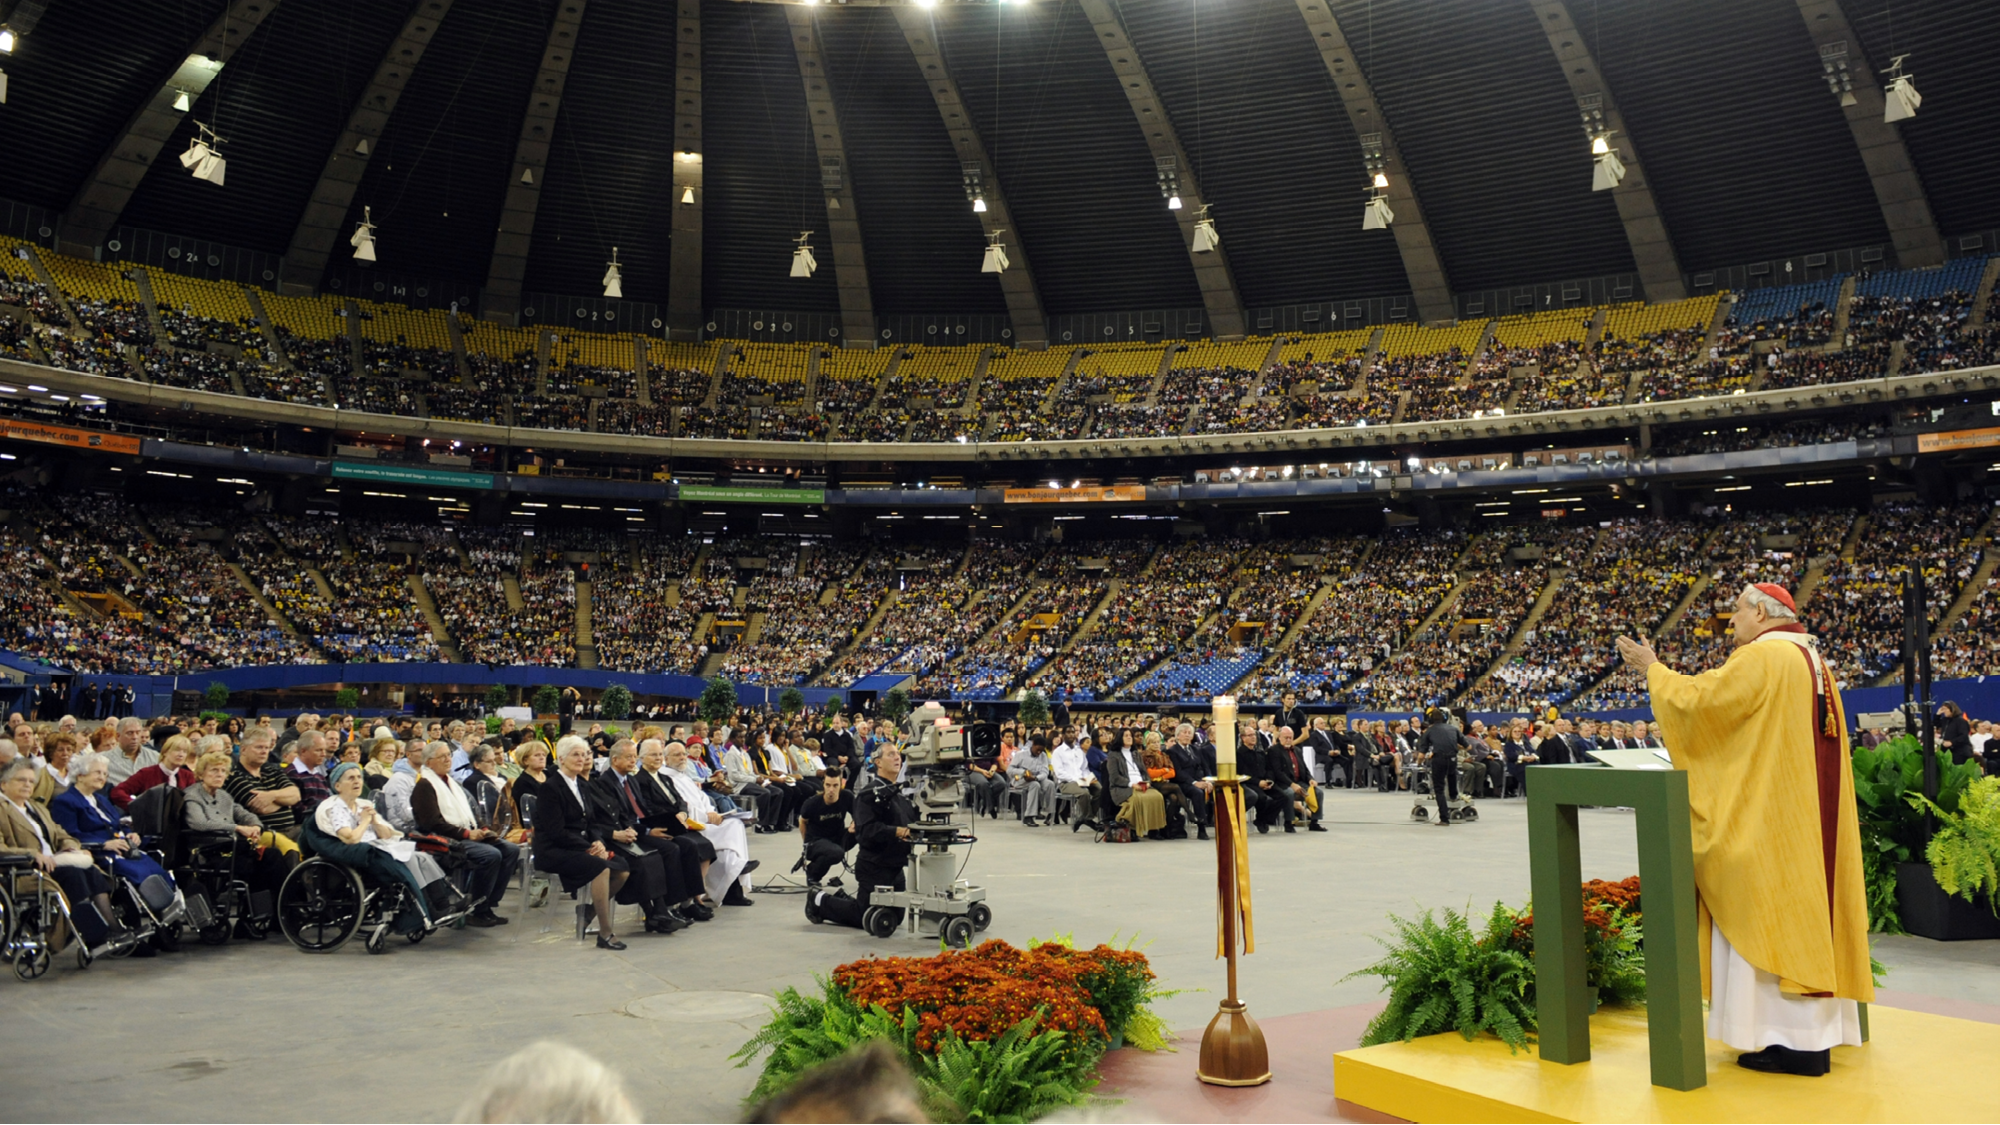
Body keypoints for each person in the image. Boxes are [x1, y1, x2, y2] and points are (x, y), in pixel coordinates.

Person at [1617, 581, 1871, 1077]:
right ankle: (1810, 1040)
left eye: (1735, 611)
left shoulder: (1764, 658)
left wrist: (1653, 669)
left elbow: (1702, 705)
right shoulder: (1814, 661)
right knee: (1804, 913)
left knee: (1762, 911)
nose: (1729, 620)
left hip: (1771, 821)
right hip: (1803, 817)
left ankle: (1790, 1044)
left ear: (1759, 611)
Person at [0, 757, 131, 956]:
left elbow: (60, 833)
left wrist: (72, 847)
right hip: (23, 870)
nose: (28, 784)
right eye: (21, 780)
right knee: (75, 876)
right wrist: (31, 854)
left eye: (30, 781)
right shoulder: (2, 810)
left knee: (90, 871)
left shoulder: (36, 808)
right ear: (4, 784)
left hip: (55, 862)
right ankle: (95, 934)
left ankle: (111, 927)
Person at [314, 761, 451, 930]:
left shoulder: (363, 804)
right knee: (410, 862)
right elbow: (350, 838)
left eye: (359, 777)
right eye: (351, 778)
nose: (357, 781)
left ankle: (443, 905)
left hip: (382, 845)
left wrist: (374, 821)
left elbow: (387, 834)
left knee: (423, 857)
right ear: (338, 786)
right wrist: (365, 821)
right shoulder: (335, 808)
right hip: (363, 853)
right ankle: (430, 911)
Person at [531, 738, 633, 950]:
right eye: (576, 754)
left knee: (622, 869)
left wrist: (597, 841)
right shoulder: (550, 788)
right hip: (553, 849)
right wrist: (588, 848)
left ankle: (588, 912)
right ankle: (605, 933)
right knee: (601, 868)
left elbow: (592, 822)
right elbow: (555, 832)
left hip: (579, 845)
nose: (582, 758)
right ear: (561, 759)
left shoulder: (582, 785)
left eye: (585, 754)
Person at [411, 742, 517, 927]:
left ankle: (489, 902)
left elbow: (472, 813)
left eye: (448, 755)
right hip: (445, 840)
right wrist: (467, 834)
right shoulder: (424, 786)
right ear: (429, 762)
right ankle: (477, 908)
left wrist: (484, 829)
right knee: (491, 855)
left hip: (465, 833)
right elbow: (432, 823)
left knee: (510, 850)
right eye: (442, 756)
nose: (447, 759)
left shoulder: (452, 783)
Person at [813, 745, 915, 929]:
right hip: (874, 866)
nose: (897, 758)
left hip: (895, 867)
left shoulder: (898, 793)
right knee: (864, 916)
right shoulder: (869, 794)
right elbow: (867, 831)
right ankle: (819, 900)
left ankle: (843, 899)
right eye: (891, 754)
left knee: (894, 918)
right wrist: (897, 831)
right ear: (878, 762)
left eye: (898, 754)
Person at [184, 749, 296, 891]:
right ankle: (262, 906)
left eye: (223, 771)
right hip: (209, 853)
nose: (219, 774)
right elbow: (199, 823)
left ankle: (280, 905)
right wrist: (237, 828)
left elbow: (244, 814)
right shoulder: (192, 795)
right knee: (256, 864)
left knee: (272, 855)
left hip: (233, 848)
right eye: (214, 770)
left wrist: (256, 826)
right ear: (201, 774)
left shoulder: (224, 795)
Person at [226, 729, 303, 840]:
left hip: (291, 830)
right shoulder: (234, 776)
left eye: (266, 748)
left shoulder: (272, 770)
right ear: (243, 750)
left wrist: (271, 796)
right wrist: (286, 803)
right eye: (259, 747)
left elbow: (296, 795)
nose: (264, 751)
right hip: (261, 834)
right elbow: (262, 808)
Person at [1107, 728, 1168, 839]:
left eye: (1130, 735)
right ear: (1120, 738)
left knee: (1157, 796)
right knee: (1137, 799)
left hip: (1141, 784)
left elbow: (1144, 772)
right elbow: (1114, 777)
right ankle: (1133, 829)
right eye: (1126, 735)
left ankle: (1153, 829)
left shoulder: (1136, 754)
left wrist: (1148, 782)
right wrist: (1132, 784)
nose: (1129, 737)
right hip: (1123, 787)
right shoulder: (1113, 755)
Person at [796, 771, 854, 887]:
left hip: (836, 837)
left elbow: (858, 814)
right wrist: (806, 843)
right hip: (816, 840)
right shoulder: (812, 803)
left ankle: (869, 871)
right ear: (823, 785)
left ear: (841, 785)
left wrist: (855, 823)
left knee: (865, 830)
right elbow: (802, 821)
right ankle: (813, 874)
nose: (831, 789)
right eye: (828, 785)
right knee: (836, 853)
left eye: (835, 785)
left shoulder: (847, 796)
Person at [1422, 708, 1462, 827]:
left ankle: (1444, 818)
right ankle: (1454, 796)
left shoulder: (1429, 731)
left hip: (1438, 759)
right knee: (1451, 775)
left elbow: (1421, 753)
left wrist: (1419, 762)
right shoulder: (1453, 728)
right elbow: (1468, 746)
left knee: (1439, 789)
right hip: (1452, 758)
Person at [1009, 734, 1057, 826]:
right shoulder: (1021, 755)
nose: (1039, 752)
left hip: (1036, 778)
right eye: (1037, 750)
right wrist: (1024, 772)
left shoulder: (1043, 756)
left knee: (1050, 784)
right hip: (1021, 779)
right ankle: (1029, 816)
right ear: (1033, 745)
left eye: (1041, 750)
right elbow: (1009, 770)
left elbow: (1045, 772)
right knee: (1035, 785)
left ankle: (1051, 814)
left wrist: (1036, 778)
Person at [105, 717, 159, 787]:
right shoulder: (103, 760)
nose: (135, 737)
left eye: (138, 732)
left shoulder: (155, 757)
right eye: (130, 733)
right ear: (118, 736)